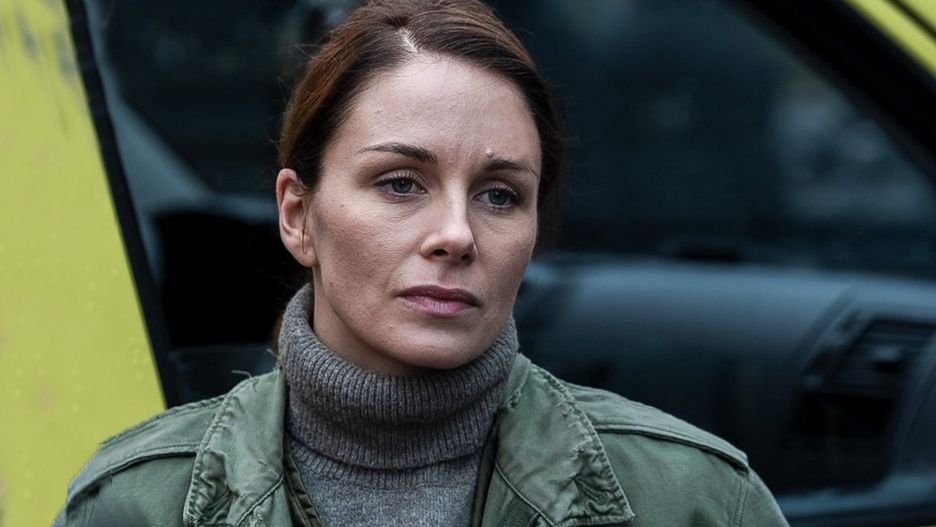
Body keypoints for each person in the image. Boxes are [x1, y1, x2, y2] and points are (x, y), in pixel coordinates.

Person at [55, 0, 789, 525]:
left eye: (500, 195)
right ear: (298, 215)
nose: (456, 234)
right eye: (401, 183)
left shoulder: (696, 501)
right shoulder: (137, 505)